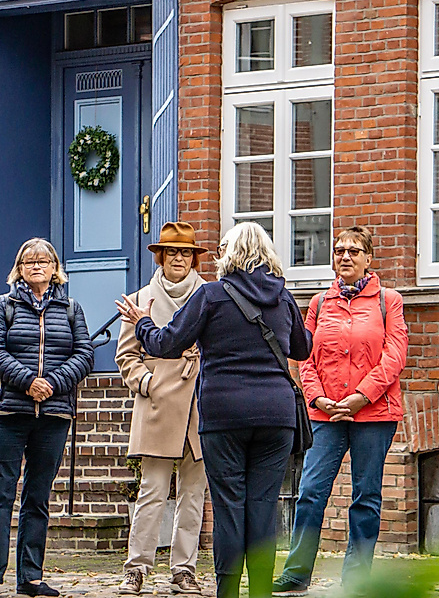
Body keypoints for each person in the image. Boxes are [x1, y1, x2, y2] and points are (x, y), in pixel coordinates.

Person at [116, 222, 312, 598]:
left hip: (224, 415)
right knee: (263, 507)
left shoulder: (211, 295)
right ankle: (260, 592)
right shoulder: (283, 296)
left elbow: (167, 343)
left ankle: (228, 591)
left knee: (228, 506)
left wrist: (141, 322)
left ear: (230, 253)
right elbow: (302, 349)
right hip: (276, 415)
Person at [272, 226, 409, 596]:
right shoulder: (318, 303)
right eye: (338, 251)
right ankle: (296, 573)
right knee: (311, 492)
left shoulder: (388, 301)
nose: (344, 257)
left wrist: (361, 397)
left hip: (374, 415)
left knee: (366, 495)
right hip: (326, 415)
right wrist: (317, 399)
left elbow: (394, 356)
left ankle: (358, 578)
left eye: (353, 250)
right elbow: (303, 356)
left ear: (369, 259)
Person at [0, 238, 95, 598]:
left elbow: (85, 354)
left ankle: (30, 575)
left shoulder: (71, 308)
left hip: (54, 414)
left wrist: (53, 384)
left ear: (56, 268)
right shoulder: (4, 306)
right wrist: (28, 382)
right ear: (19, 268)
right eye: (29, 261)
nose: (37, 266)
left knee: (38, 496)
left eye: (44, 260)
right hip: (10, 411)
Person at [115, 222, 209, 596]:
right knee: (151, 490)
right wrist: (148, 383)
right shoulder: (142, 298)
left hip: (201, 403)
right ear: (161, 257)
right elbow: (126, 356)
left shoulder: (210, 296)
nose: (179, 260)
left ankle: (184, 568)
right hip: (157, 405)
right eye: (172, 253)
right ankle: (136, 567)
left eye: (185, 253)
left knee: (193, 491)